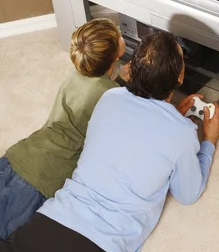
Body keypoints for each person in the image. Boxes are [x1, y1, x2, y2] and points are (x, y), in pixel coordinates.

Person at [0, 30, 219, 252]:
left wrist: (173, 117)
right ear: (179, 78)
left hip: (46, 226)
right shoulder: (182, 134)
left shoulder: (109, 98)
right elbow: (188, 192)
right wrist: (207, 141)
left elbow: (131, 132)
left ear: (132, 68)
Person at [0, 18, 127, 240]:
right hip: (39, 178)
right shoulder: (112, 95)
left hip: (18, 156)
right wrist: (125, 85)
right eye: (119, 35)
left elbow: (94, 93)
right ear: (115, 55)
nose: (122, 35)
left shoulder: (76, 74)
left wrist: (117, 81)